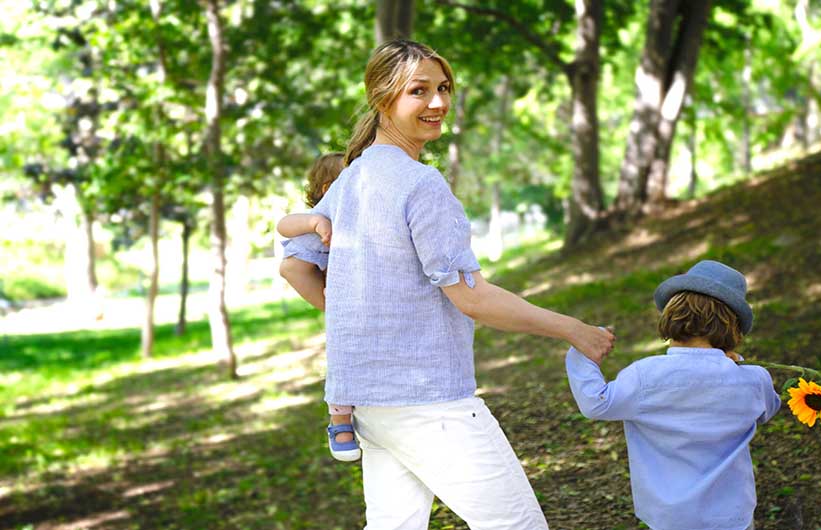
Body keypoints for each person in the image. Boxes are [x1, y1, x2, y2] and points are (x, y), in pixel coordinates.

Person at [279, 39, 614, 530]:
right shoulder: (421, 185)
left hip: (368, 402)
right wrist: (573, 329)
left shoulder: (350, 180)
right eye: (419, 91)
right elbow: (472, 297)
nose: (438, 103)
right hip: (428, 400)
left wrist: (356, 317)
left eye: (443, 88)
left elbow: (295, 266)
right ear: (381, 97)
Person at [566, 260, 782, 530]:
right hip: (732, 515)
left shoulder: (645, 376)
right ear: (733, 328)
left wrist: (581, 352)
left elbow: (595, 404)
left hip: (671, 517)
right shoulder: (754, 379)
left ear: (670, 315)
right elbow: (768, 409)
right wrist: (737, 363)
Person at [276, 152, 362, 462]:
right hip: (329, 292)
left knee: (356, 354)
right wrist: (315, 221)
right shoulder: (316, 220)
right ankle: (339, 421)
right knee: (341, 356)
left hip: (355, 295)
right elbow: (283, 225)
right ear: (330, 189)